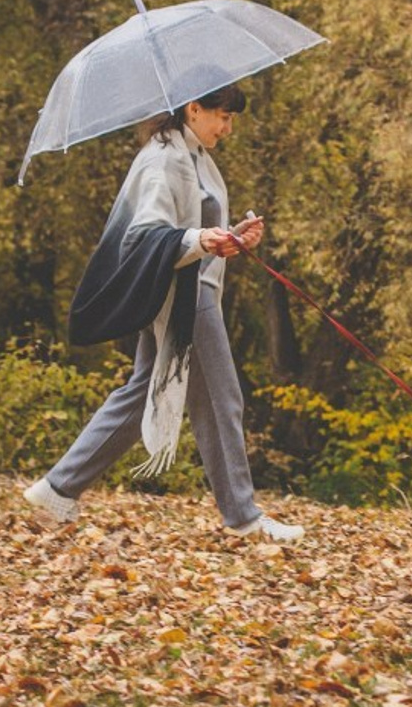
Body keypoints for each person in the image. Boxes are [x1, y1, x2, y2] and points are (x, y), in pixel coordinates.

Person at [23, 84, 303, 542]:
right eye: (223, 116)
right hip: (184, 299)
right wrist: (200, 241)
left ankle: (59, 487)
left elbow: (190, 225)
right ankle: (244, 518)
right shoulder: (164, 159)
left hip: (191, 289)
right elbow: (145, 235)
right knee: (221, 401)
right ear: (194, 109)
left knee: (142, 395)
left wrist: (230, 237)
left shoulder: (191, 154)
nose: (228, 128)